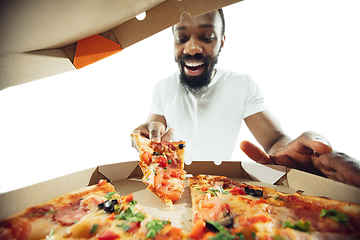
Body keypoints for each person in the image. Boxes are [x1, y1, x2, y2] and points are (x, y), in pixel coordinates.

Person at [132, 9, 360, 188]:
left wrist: (298, 163)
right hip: (173, 187)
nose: (191, 48)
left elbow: (274, 141)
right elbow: (152, 132)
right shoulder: (162, 87)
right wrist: (141, 139)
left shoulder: (241, 84)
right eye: (181, 38)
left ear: (221, 41)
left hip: (222, 189)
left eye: (207, 37)